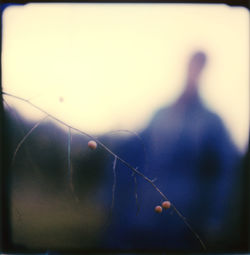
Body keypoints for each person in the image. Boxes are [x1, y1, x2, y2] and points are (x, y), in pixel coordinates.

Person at [100, 51, 241, 251]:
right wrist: (110, 197)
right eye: (191, 65)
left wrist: (212, 218)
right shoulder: (162, 113)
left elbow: (221, 173)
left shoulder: (212, 122)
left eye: (199, 66)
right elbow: (131, 151)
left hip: (180, 221)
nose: (194, 71)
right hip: (138, 215)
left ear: (204, 70)